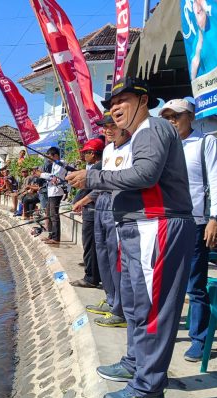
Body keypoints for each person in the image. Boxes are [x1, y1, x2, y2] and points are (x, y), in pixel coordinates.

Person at [67, 76, 195, 398]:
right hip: (142, 227)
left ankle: (149, 388)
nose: (115, 109)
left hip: (159, 225)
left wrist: (92, 177)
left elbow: (145, 176)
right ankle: (135, 363)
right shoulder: (140, 135)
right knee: (139, 305)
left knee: (153, 310)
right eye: (111, 104)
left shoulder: (152, 130)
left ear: (143, 100)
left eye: (122, 101)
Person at [159, 98, 217, 361]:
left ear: (191, 116)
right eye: (167, 117)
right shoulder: (166, 146)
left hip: (195, 223)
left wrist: (215, 218)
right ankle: (166, 329)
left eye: (176, 116)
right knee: (164, 281)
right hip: (166, 222)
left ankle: (198, 338)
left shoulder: (205, 142)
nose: (172, 121)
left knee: (194, 284)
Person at [78, 110, 133, 328]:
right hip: (101, 203)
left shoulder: (132, 147)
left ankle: (120, 309)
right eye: (105, 126)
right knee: (103, 254)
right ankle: (111, 300)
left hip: (117, 204)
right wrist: (87, 197)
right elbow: (101, 181)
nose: (107, 130)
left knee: (117, 257)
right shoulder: (109, 149)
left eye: (112, 126)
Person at [70, 138, 104, 289]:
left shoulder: (97, 168)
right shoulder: (95, 167)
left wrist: (80, 202)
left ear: (93, 153)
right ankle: (95, 275)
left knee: (90, 245)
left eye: (85, 153)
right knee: (93, 245)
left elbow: (92, 190)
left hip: (92, 211)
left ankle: (91, 277)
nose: (83, 156)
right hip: (91, 209)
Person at [40, 147, 67, 245]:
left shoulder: (61, 164)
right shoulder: (54, 164)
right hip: (51, 192)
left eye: (50, 157)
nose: (48, 159)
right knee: (49, 214)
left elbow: (55, 178)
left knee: (54, 215)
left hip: (56, 192)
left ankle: (56, 238)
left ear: (55, 155)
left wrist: (41, 174)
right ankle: (51, 235)